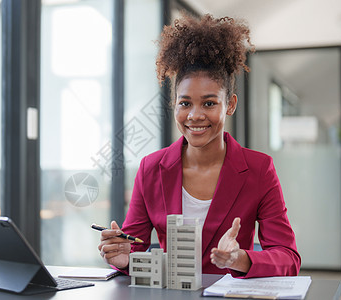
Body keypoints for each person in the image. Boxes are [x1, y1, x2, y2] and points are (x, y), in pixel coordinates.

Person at [98, 13, 301, 278]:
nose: (194, 115)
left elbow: (288, 257)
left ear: (230, 104)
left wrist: (243, 259)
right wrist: (123, 259)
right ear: (174, 105)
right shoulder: (151, 168)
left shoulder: (258, 169)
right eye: (185, 103)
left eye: (209, 103)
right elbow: (134, 246)